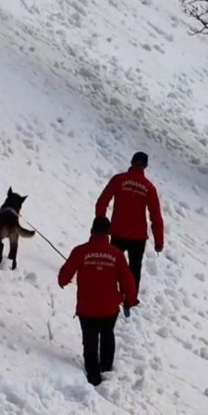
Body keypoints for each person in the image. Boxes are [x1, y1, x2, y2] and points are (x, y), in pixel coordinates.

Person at [58, 216, 138, 386]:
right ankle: (106, 371)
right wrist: (129, 299)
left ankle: (93, 376)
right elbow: (127, 280)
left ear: (91, 231)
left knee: (90, 341)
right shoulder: (116, 254)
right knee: (107, 335)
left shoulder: (80, 252)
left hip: (87, 309)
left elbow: (64, 276)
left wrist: (64, 281)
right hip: (109, 308)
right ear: (108, 233)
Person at [95, 151, 164, 296]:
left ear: (131, 162)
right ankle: (130, 298)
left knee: (112, 264)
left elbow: (102, 201)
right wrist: (159, 241)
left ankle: (107, 291)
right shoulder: (149, 188)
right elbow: (156, 216)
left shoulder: (119, 180)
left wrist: (101, 221)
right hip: (138, 237)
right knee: (134, 269)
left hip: (118, 231)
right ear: (145, 166)